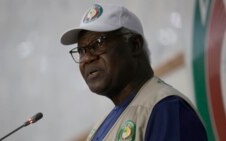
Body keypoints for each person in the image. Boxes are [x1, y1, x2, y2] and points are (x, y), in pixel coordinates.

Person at [60, 3, 208, 141]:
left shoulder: (166, 109)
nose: (86, 58)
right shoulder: (102, 124)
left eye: (98, 44)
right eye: (81, 51)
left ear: (134, 45)